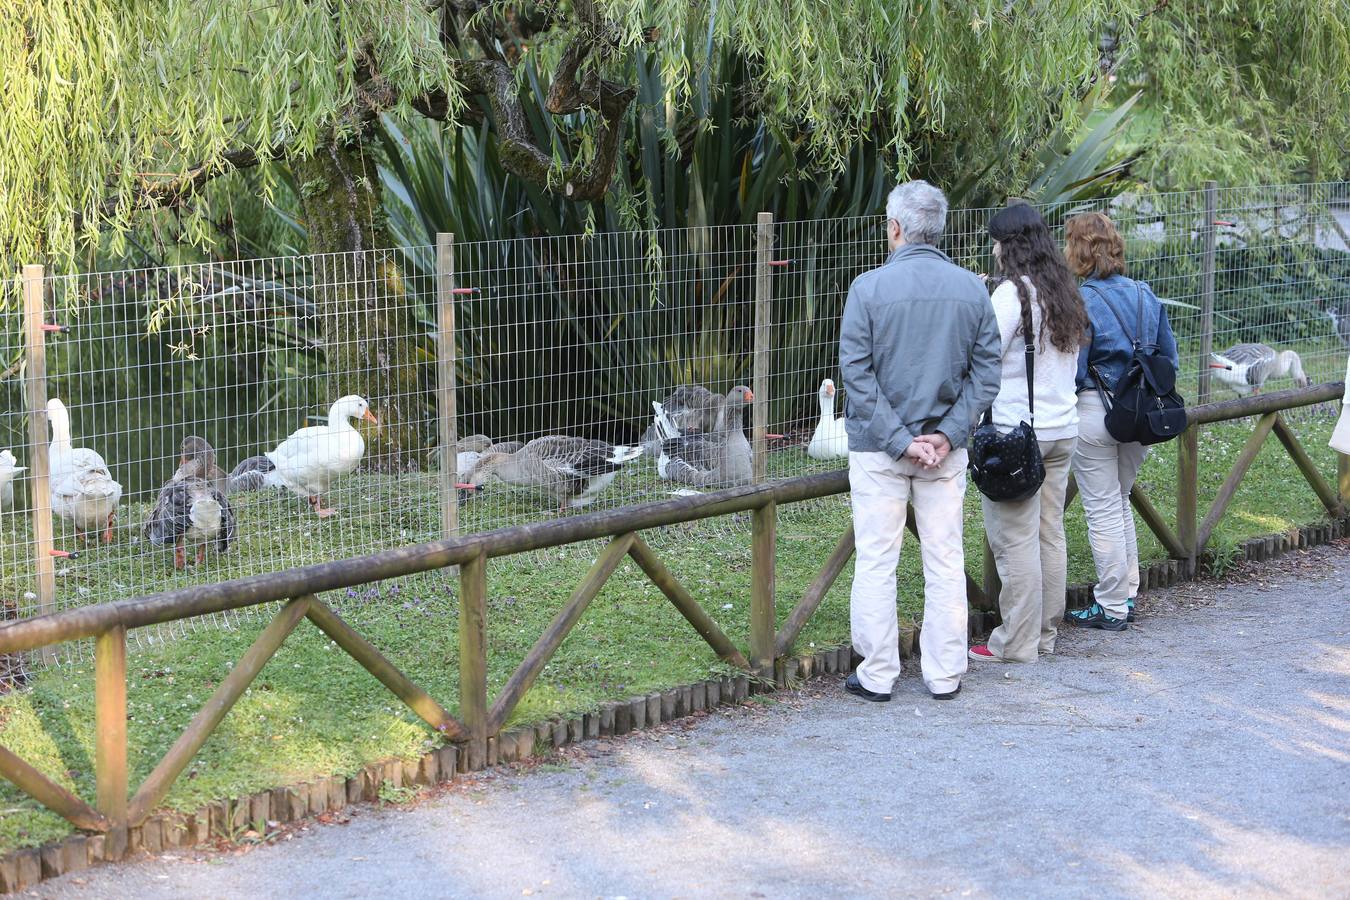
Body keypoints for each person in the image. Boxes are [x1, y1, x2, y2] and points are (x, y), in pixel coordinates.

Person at [839, 180, 1001, 701]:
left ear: (895, 229)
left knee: (877, 560)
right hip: (944, 450)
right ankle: (944, 672)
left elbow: (856, 376)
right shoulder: (972, 289)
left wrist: (898, 440)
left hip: (879, 450)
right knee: (945, 558)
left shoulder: (867, 288)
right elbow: (987, 374)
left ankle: (878, 673)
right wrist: (947, 434)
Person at [968, 203, 1089, 663]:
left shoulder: (1011, 295)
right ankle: (1044, 633)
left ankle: (1016, 644)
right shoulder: (1063, 290)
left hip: (1018, 435)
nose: (994, 249)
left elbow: (984, 357)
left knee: (1014, 539)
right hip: (1063, 429)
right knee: (1049, 532)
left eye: (997, 241)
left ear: (1010, 245)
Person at [1064, 211, 1179, 630]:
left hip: (1097, 410)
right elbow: (1170, 359)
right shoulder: (1146, 295)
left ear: (1078, 250)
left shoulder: (1082, 301)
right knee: (1120, 498)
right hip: (1141, 413)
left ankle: (1112, 606)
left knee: (1103, 507)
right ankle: (1125, 594)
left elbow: (1076, 369)